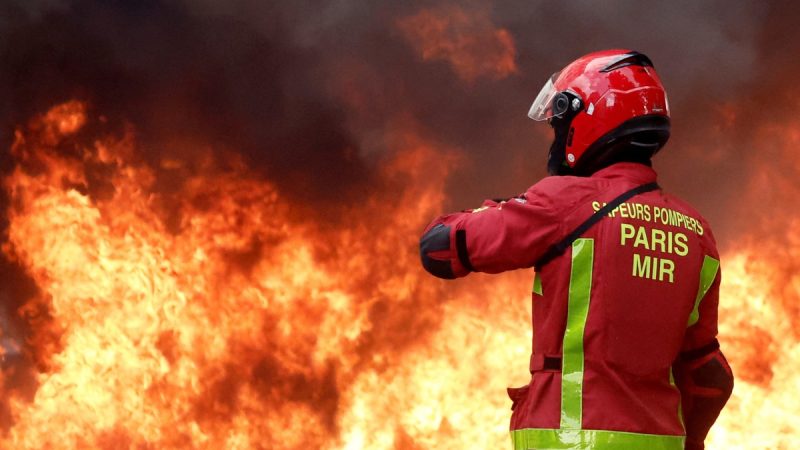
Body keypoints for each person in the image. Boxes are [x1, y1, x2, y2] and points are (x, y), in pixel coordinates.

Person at [419, 49, 733, 450]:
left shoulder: (563, 203)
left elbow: (440, 249)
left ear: (588, 121)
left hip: (571, 440)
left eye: (559, 124)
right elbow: (709, 375)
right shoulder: (696, 232)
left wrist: (503, 209)